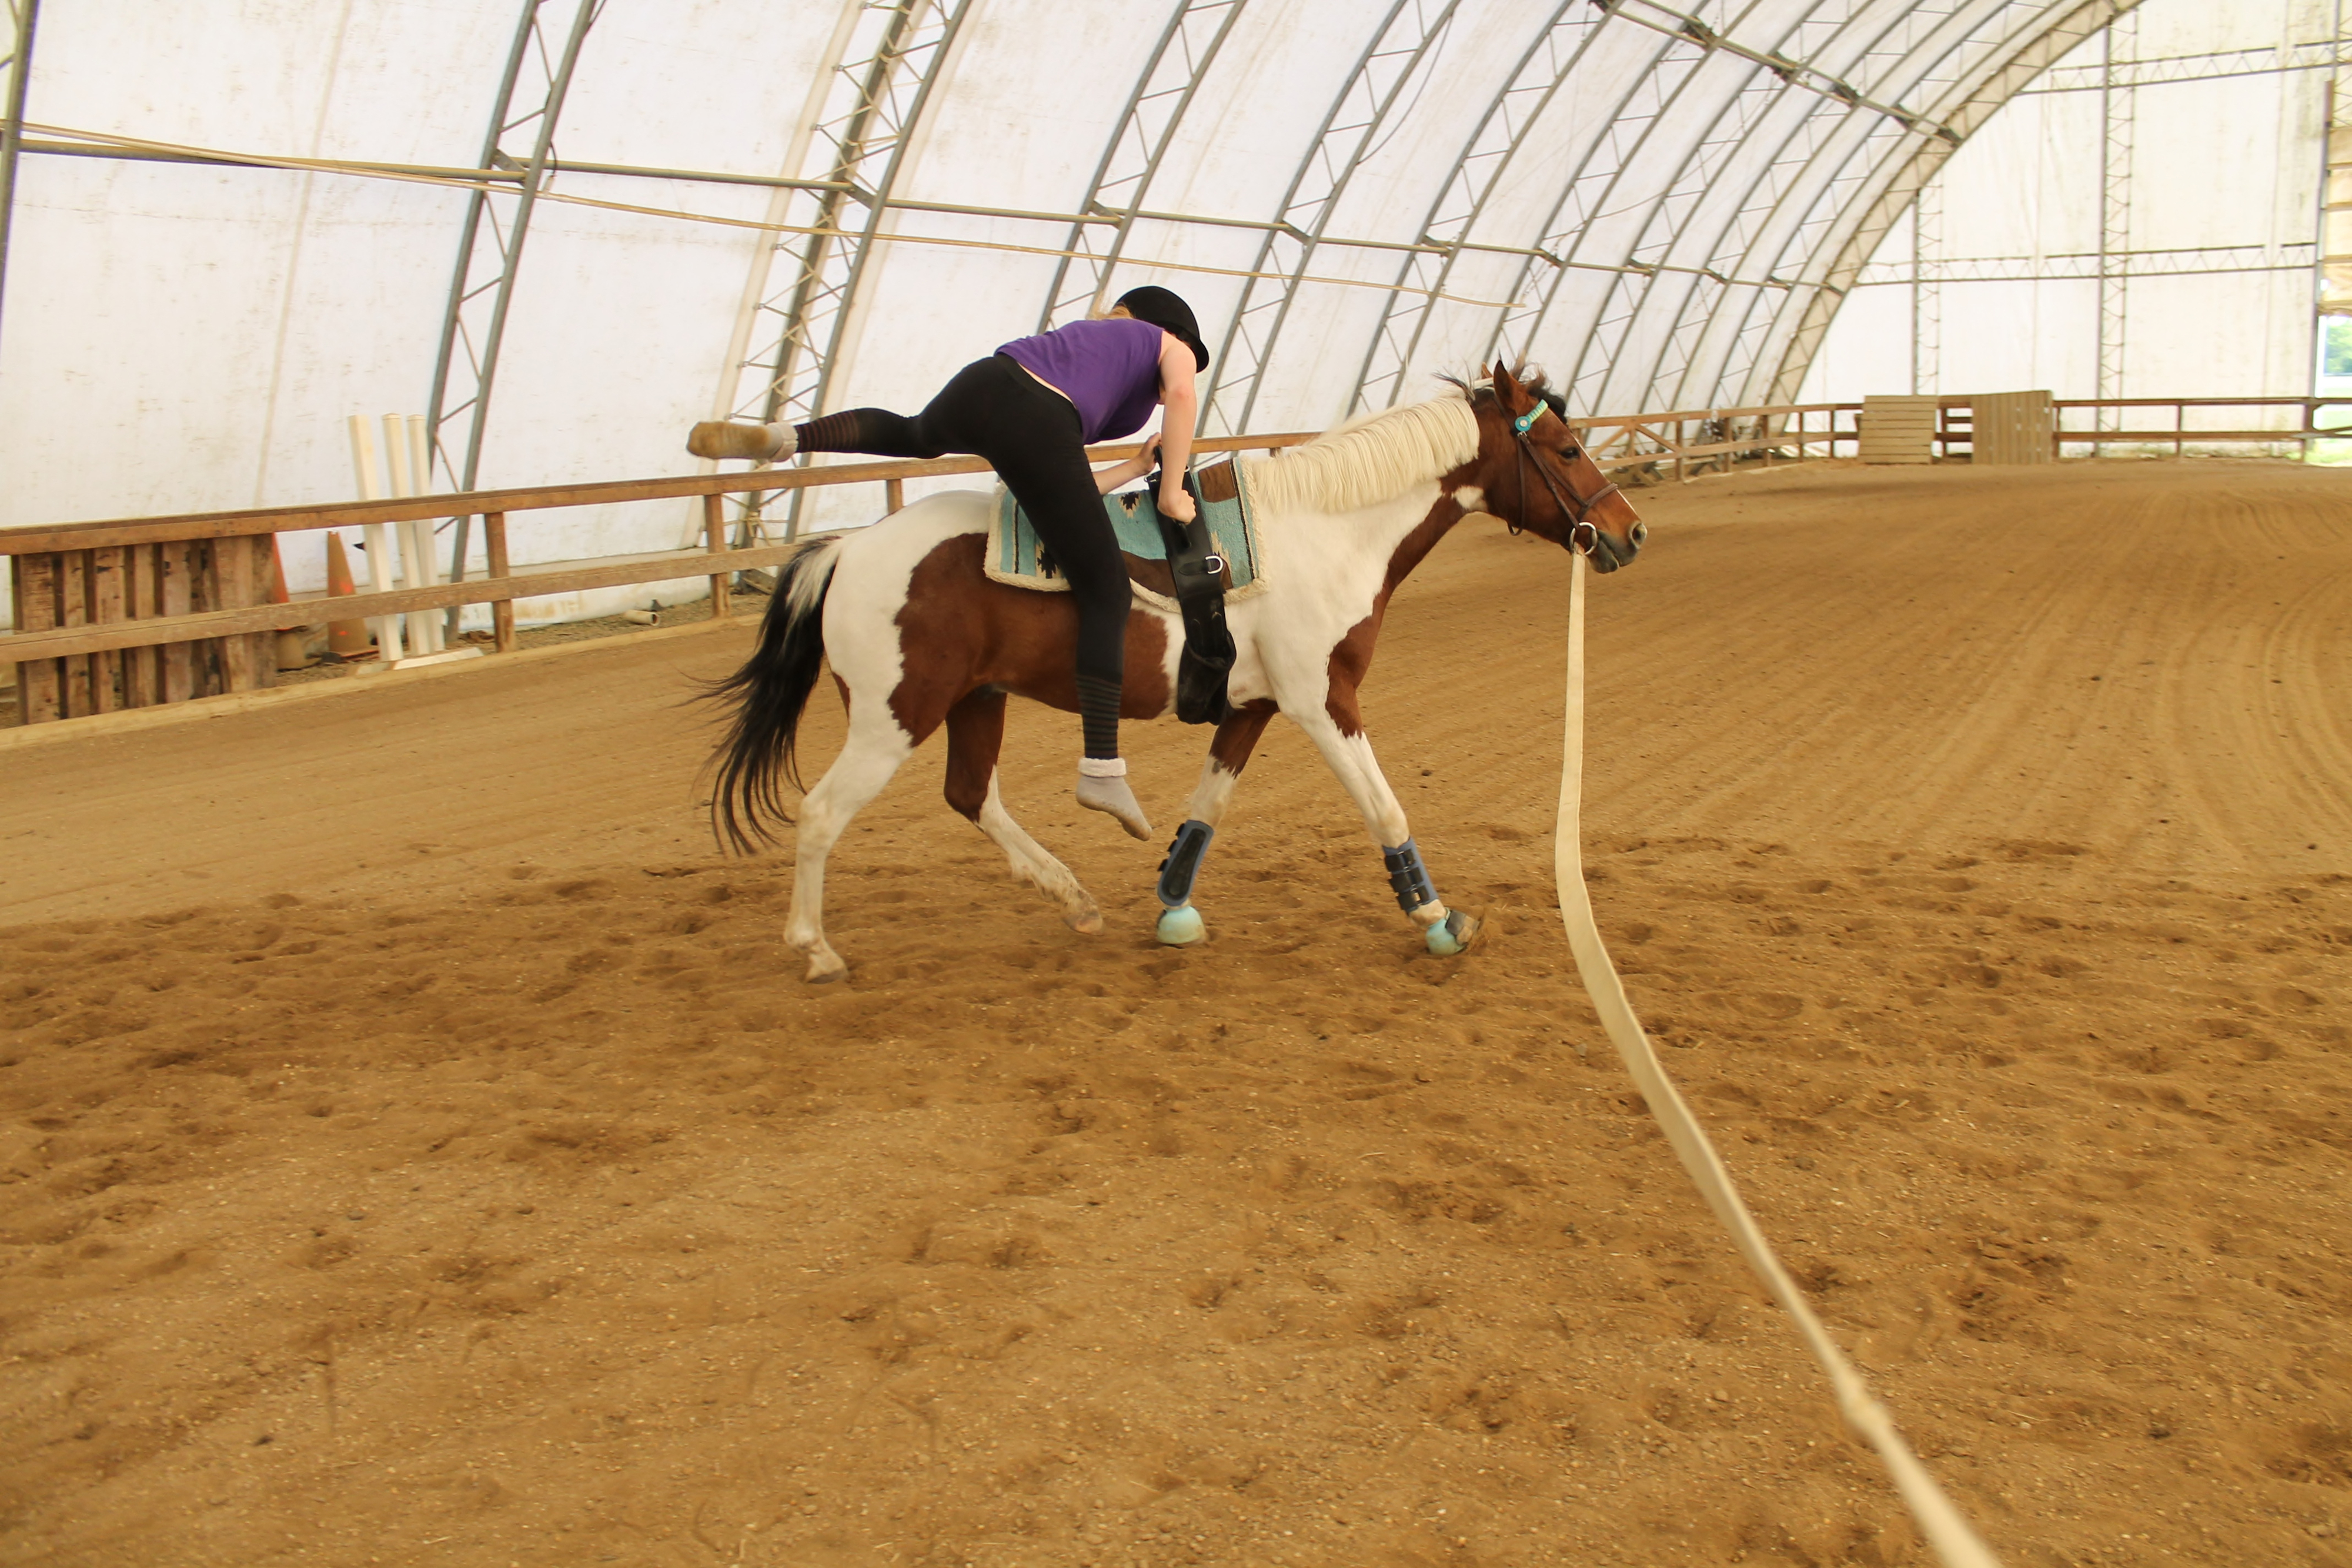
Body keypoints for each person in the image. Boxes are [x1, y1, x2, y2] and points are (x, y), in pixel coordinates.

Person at [688, 286, 1208, 842]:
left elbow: (1064, 490)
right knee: (1107, 591)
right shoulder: (1164, 343)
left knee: (915, 432)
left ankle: (786, 437)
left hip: (986, 385)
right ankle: (1102, 767)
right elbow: (1181, 395)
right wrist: (1173, 490)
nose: (1174, 383)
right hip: (1040, 418)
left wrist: (1133, 466)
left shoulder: (1080, 349)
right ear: (1171, 331)